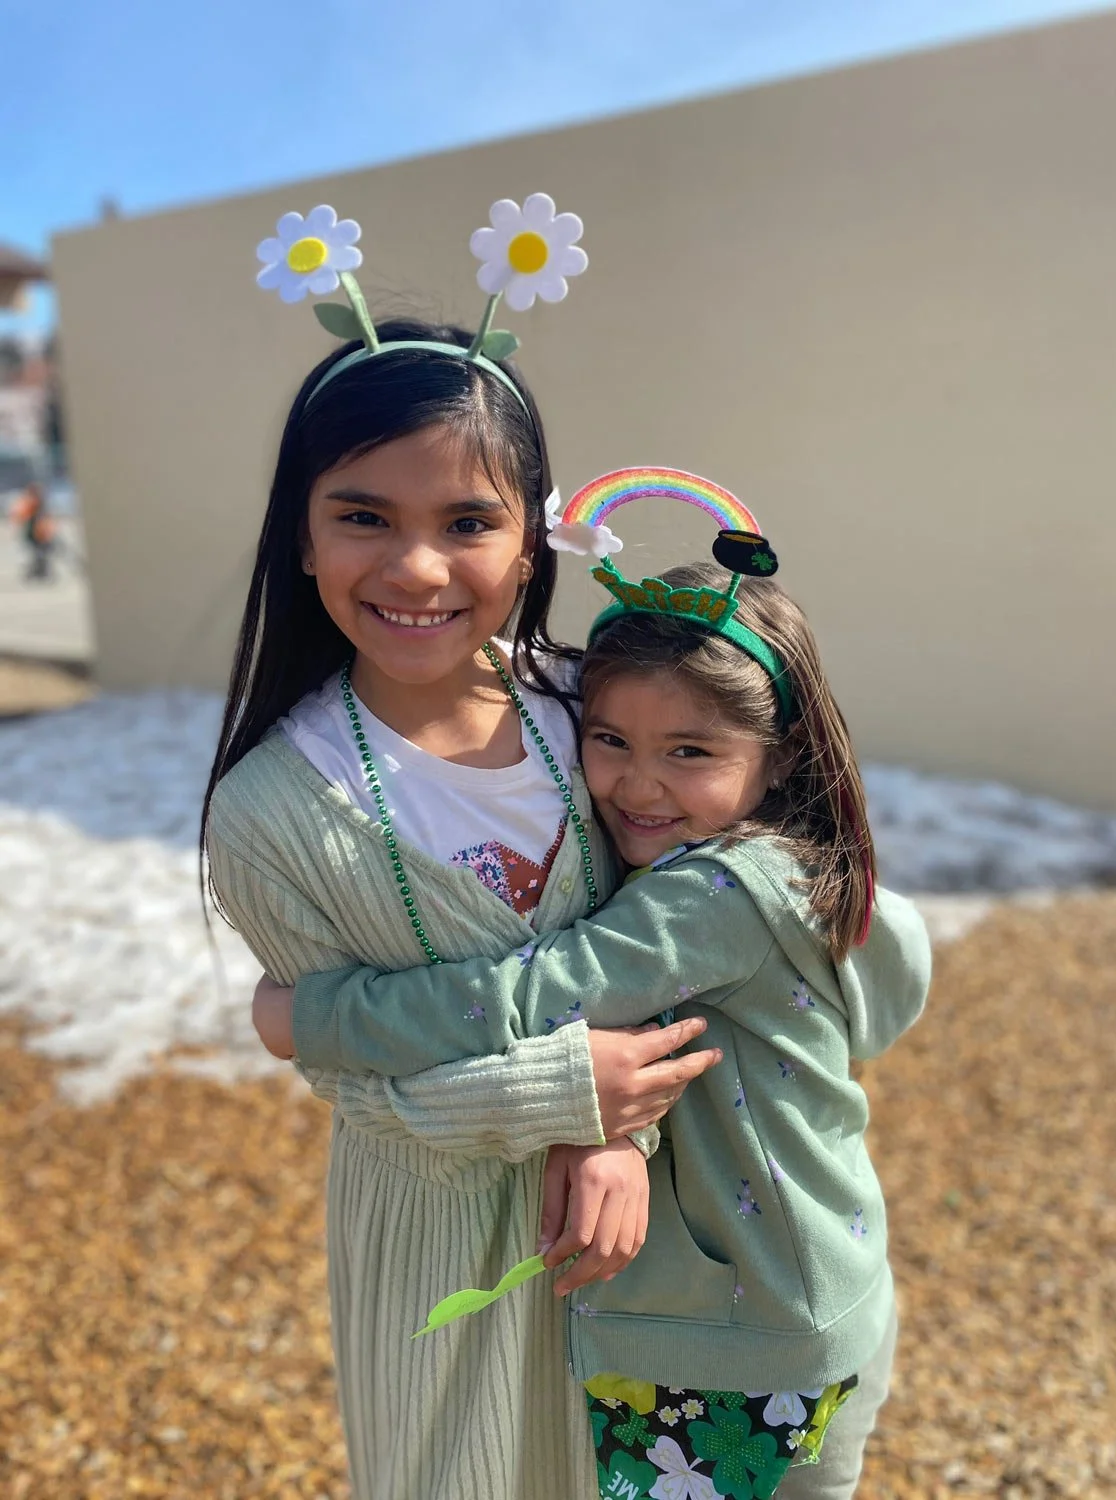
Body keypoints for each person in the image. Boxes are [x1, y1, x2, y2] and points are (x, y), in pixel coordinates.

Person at [252, 470, 932, 1500]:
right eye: (609, 740)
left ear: (780, 756)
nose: (638, 783)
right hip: (826, 1299)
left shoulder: (708, 900)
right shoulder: (815, 875)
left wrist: (312, 1015)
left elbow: (529, 994)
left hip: (731, 1350)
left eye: (690, 751)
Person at [203, 206, 722, 1499]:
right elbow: (370, 1090)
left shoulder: (597, 719)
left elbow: (697, 929)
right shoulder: (273, 811)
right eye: (364, 515)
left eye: (469, 520)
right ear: (302, 534)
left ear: (532, 532)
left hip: (659, 1239)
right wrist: (563, 1099)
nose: (419, 565)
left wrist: (617, 1136)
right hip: (436, 1247)